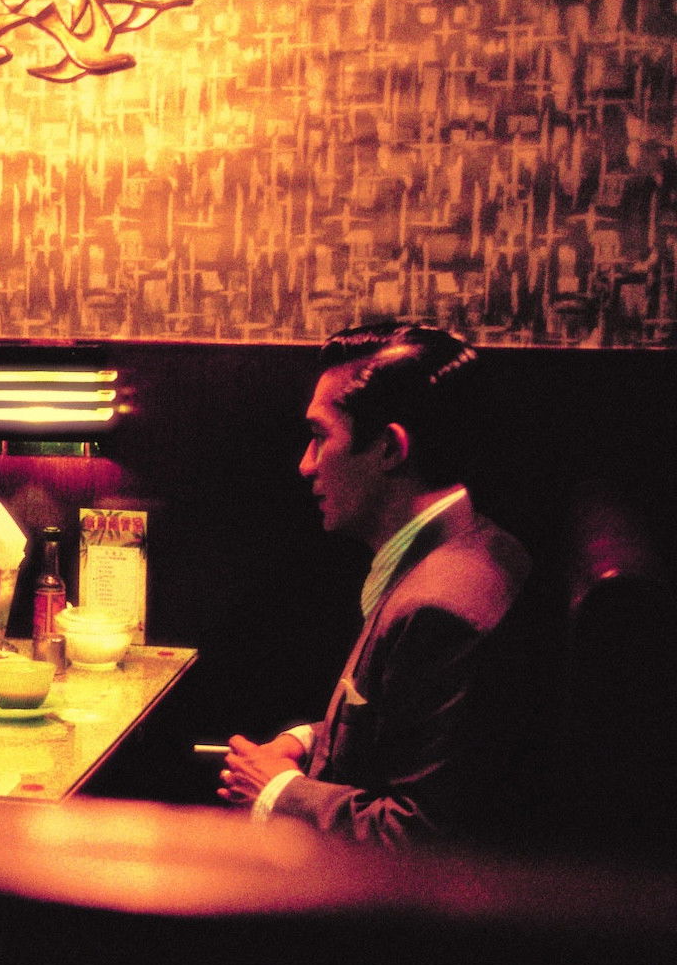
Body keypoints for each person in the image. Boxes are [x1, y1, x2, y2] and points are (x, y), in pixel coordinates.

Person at [217, 322, 531, 848]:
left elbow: (421, 834)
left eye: (320, 437)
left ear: (389, 449)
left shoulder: (439, 609)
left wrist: (277, 793)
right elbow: (407, 731)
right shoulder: (480, 544)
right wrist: (305, 742)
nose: (305, 464)